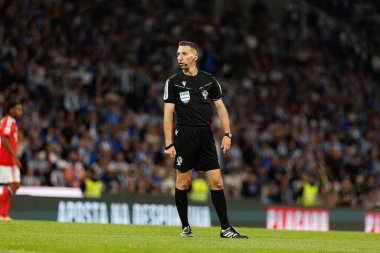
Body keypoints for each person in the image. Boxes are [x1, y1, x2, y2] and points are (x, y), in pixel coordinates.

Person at [163, 41, 248, 238]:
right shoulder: (172, 82)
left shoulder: (209, 80)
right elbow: (168, 115)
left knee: (217, 182)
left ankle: (226, 228)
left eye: (184, 54)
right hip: (184, 134)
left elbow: (221, 108)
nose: (180, 58)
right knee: (183, 182)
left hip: (206, 135)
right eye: (178, 54)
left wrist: (227, 134)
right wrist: (168, 143)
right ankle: (185, 227)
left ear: (195, 56)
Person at [0, 101, 23, 220]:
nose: (20, 112)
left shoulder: (12, 122)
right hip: (6, 160)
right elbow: (4, 139)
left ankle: (3, 215)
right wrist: (14, 156)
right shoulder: (7, 120)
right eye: (18, 109)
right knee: (16, 184)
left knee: (9, 185)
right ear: (11, 110)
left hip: (7, 159)